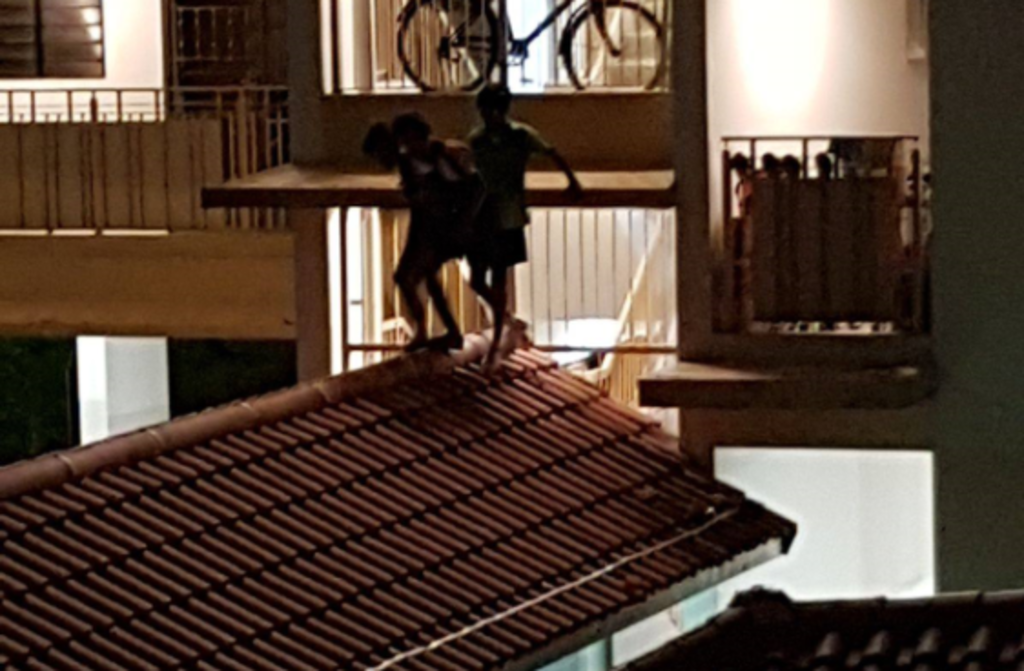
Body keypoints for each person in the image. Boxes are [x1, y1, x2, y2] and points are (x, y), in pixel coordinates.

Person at [468, 83, 582, 369]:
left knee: (497, 276)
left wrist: (572, 181)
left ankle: (497, 339)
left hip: (507, 214)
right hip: (484, 214)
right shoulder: (478, 139)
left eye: (489, 110)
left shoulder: (519, 136)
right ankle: (505, 317)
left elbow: (551, 152)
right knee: (478, 279)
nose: (486, 116)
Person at [363, 113, 484, 352]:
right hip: (426, 226)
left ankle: (441, 330)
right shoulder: (409, 164)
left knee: (414, 276)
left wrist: (463, 222)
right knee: (418, 277)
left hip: (442, 226)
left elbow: (473, 188)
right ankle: (438, 330)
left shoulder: (441, 157)